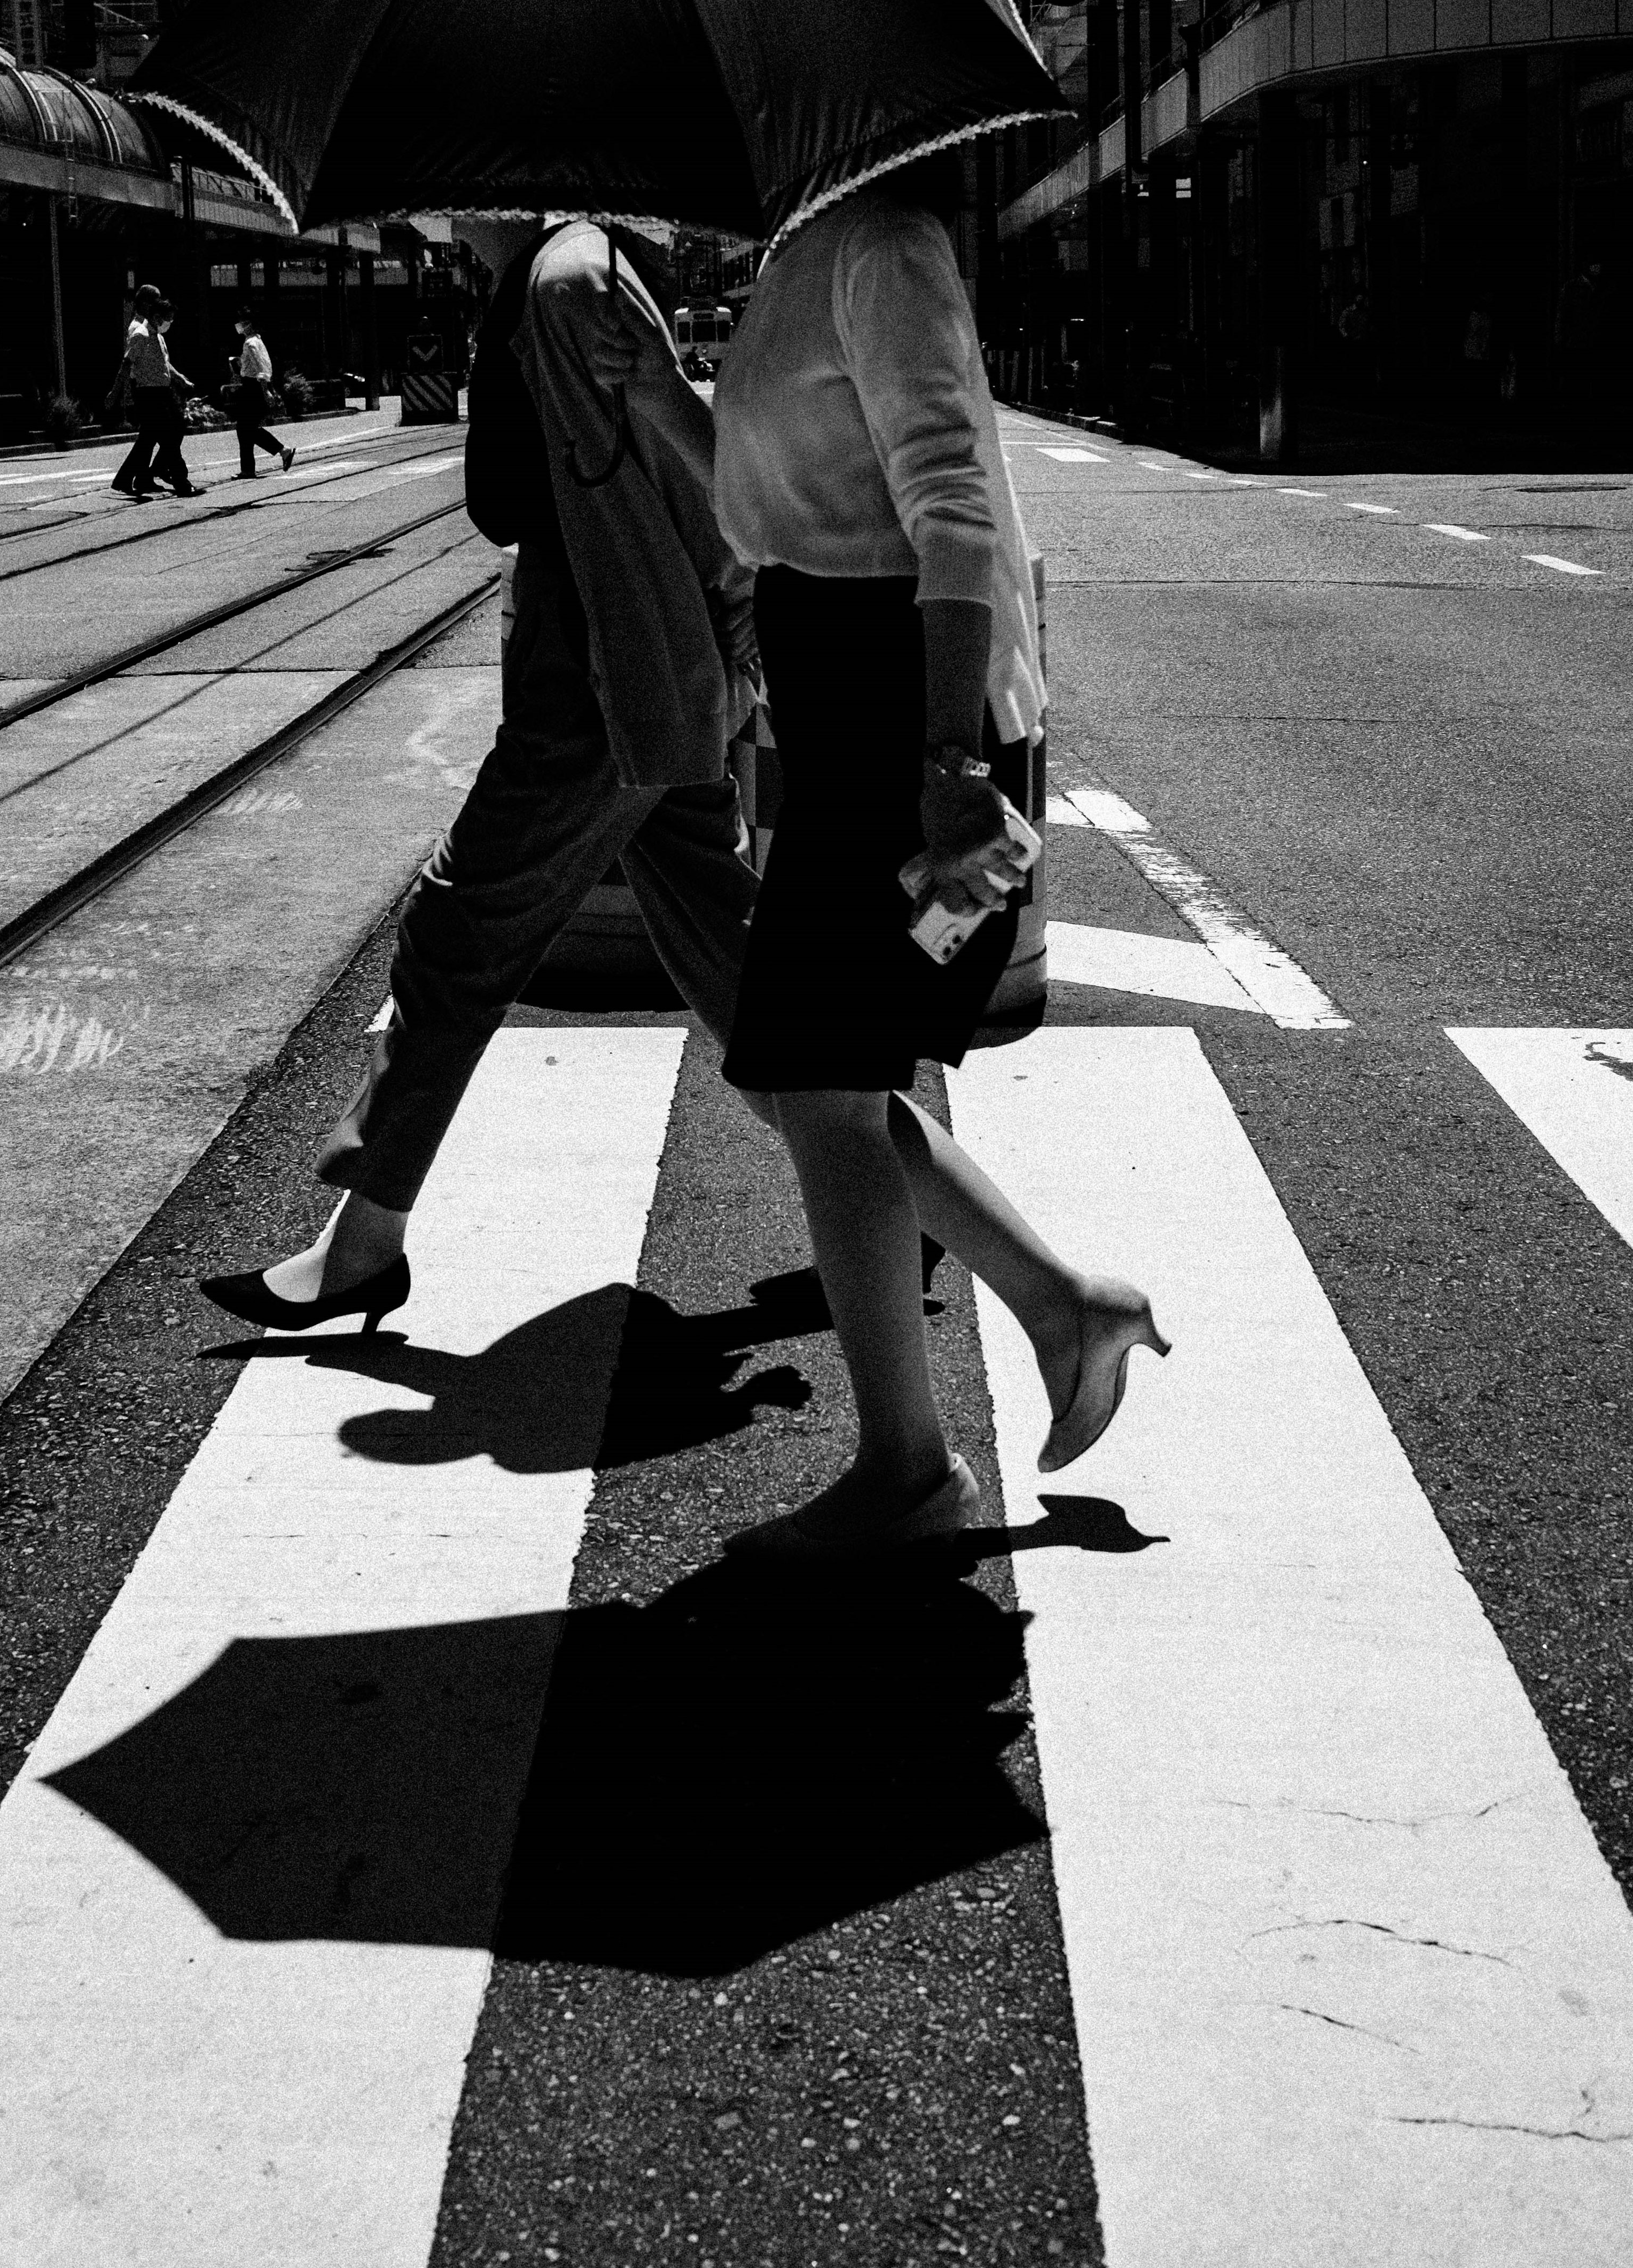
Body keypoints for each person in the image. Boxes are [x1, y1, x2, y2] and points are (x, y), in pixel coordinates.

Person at [707, 173, 1169, 1558]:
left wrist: (953, 770)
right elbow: (800, 492)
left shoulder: (878, 248)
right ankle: (1059, 1307)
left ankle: (912, 1468)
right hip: (849, 708)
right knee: (821, 1082)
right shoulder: (809, 251)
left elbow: (954, 511)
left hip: (903, 722)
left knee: (822, 1084)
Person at [201, 217, 763, 1334]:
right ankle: (936, 1203)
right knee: (741, 968)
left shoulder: (568, 280)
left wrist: (728, 622)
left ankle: (362, 1246)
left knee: (458, 938)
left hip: (604, 677)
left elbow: (701, 479)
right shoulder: (549, 279)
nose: (434, 207)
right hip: (627, 665)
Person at [111, 285, 202, 501]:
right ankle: (181, 482)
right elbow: (128, 363)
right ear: (147, 305)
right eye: (156, 301)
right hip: (149, 393)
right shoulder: (140, 331)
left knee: (151, 438)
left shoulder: (156, 331)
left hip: (161, 391)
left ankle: (132, 479)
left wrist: (180, 380)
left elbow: (163, 363)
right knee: (169, 437)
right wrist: (116, 393)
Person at [231, 309, 295, 478]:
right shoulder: (257, 341)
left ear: (248, 324)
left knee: (246, 428)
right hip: (253, 387)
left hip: (253, 388)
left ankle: (282, 451)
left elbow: (261, 367)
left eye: (241, 322)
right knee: (247, 429)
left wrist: (265, 389)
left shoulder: (251, 343)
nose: (238, 325)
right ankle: (249, 469)